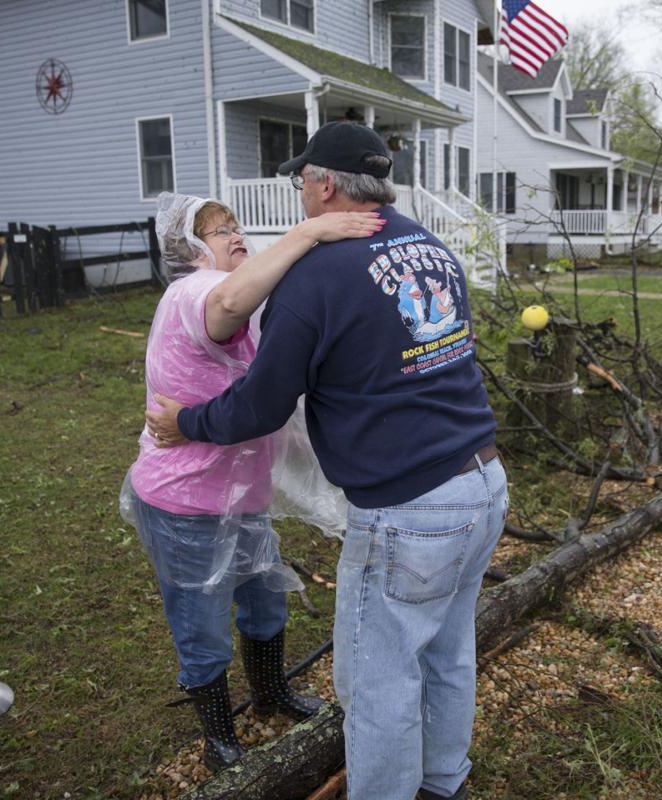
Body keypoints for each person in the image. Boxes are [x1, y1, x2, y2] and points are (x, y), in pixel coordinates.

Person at [145, 121, 505, 800]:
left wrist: (184, 421)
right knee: (449, 652)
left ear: (325, 185)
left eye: (301, 178)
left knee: (378, 681)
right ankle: (443, 782)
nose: (298, 190)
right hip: (484, 482)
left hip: (412, 510)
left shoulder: (316, 277)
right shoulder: (431, 247)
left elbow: (258, 406)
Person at [123, 192, 385, 773]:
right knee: (201, 622)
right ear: (189, 252)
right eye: (218, 232)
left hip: (241, 494)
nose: (236, 236)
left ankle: (270, 693)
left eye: (237, 226)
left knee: (264, 602)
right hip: (184, 500)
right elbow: (227, 302)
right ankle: (220, 736)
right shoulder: (191, 293)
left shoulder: (243, 300)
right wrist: (308, 232)